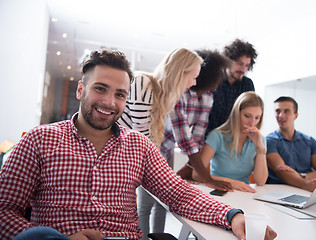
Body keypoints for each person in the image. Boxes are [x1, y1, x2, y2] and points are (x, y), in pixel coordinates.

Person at [0, 49, 277, 240]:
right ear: (81, 89)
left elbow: (179, 194)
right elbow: (4, 210)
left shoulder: (139, 146)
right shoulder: (39, 140)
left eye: (120, 94)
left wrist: (232, 215)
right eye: (100, 89)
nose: (110, 102)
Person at [117, 48, 231, 240]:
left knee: (161, 202)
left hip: (148, 155)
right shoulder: (143, 84)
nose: (195, 82)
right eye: (193, 77)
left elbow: (164, 142)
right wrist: (172, 179)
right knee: (144, 205)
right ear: (180, 73)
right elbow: (142, 141)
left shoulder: (166, 97)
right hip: (122, 157)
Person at [161, 49, 230, 182]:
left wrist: (188, 169)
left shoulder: (208, 98)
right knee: (148, 198)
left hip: (168, 150)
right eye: (219, 74)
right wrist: (207, 178)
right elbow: (185, 140)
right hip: (156, 147)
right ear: (209, 75)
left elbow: (198, 137)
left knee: (163, 194)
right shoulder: (180, 94)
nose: (222, 79)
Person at [192, 92, 268, 192]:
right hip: (220, 191)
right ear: (237, 114)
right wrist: (231, 182)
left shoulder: (260, 139)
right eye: (247, 116)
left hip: (244, 194)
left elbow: (261, 181)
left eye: (257, 118)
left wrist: (260, 148)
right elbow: (196, 174)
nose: (252, 123)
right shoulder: (217, 136)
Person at [266, 96, 316, 192]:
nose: (281, 115)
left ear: (296, 115)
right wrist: (306, 184)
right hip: (278, 191)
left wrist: (302, 176)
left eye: (286, 111)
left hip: (306, 190)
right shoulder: (269, 141)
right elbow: (281, 171)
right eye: (278, 111)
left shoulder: (310, 141)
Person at [206, 39, 258, 136]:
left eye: (247, 65)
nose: (243, 69)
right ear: (228, 61)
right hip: (208, 137)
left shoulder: (247, 85)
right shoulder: (213, 79)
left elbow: (250, 113)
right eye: (240, 63)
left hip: (232, 140)